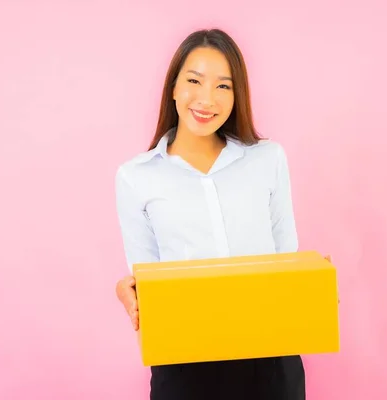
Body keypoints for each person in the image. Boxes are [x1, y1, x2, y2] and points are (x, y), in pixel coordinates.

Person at [114, 28, 306, 400]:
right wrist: (130, 291)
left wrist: (310, 292)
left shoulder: (267, 159)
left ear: (238, 95)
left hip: (269, 357)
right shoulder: (135, 177)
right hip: (185, 361)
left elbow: (288, 257)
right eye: (194, 81)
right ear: (173, 87)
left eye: (223, 86)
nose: (207, 99)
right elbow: (147, 278)